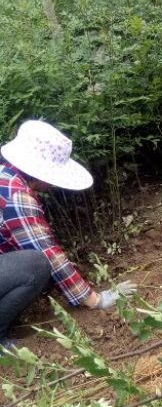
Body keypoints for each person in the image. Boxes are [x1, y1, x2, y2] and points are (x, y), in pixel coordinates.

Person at [0, 119, 135, 347]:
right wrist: (95, 300)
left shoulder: (6, 175)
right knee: (35, 265)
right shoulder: (17, 196)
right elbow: (48, 254)